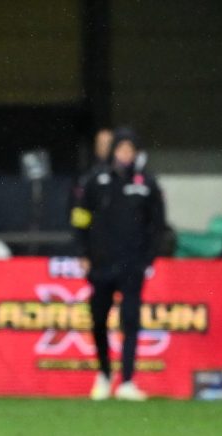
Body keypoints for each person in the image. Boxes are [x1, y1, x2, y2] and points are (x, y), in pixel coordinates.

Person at [71, 127, 165, 401]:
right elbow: (80, 218)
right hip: (101, 265)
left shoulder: (147, 183)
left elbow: (157, 225)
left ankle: (127, 381)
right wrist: (83, 252)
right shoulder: (95, 180)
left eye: (130, 150)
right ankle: (103, 374)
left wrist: (147, 259)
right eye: (121, 149)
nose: (126, 154)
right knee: (98, 319)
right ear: (113, 151)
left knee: (131, 321)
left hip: (132, 265)